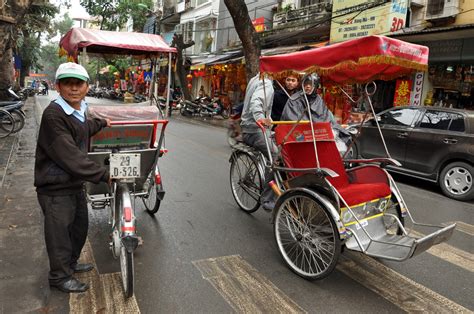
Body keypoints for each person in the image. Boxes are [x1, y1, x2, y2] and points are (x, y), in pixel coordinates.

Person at [34, 62, 111, 294]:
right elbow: (69, 155)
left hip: (74, 184)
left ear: (87, 86)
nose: (74, 88)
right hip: (55, 187)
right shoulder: (53, 114)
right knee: (59, 235)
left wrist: (102, 123)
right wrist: (105, 175)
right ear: (58, 86)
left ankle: (70, 264)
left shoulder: (77, 110)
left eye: (79, 83)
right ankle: (59, 276)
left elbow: (82, 128)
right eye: (68, 83)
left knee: (78, 229)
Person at [281, 73, 351, 153]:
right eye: (306, 84)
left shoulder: (318, 99)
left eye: (310, 84)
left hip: (320, 134)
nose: (308, 86)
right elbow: (291, 119)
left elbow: (326, 117)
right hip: (300, 136)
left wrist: (331, 129)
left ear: (315, 85)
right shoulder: (294, 100)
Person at [240, 74, 276, 211]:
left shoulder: (255, 78)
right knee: (276, 157)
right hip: (254, 130)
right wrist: (260, 118)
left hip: (250, 127)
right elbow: (256, 102)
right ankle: (268, 198)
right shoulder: (266, 83)